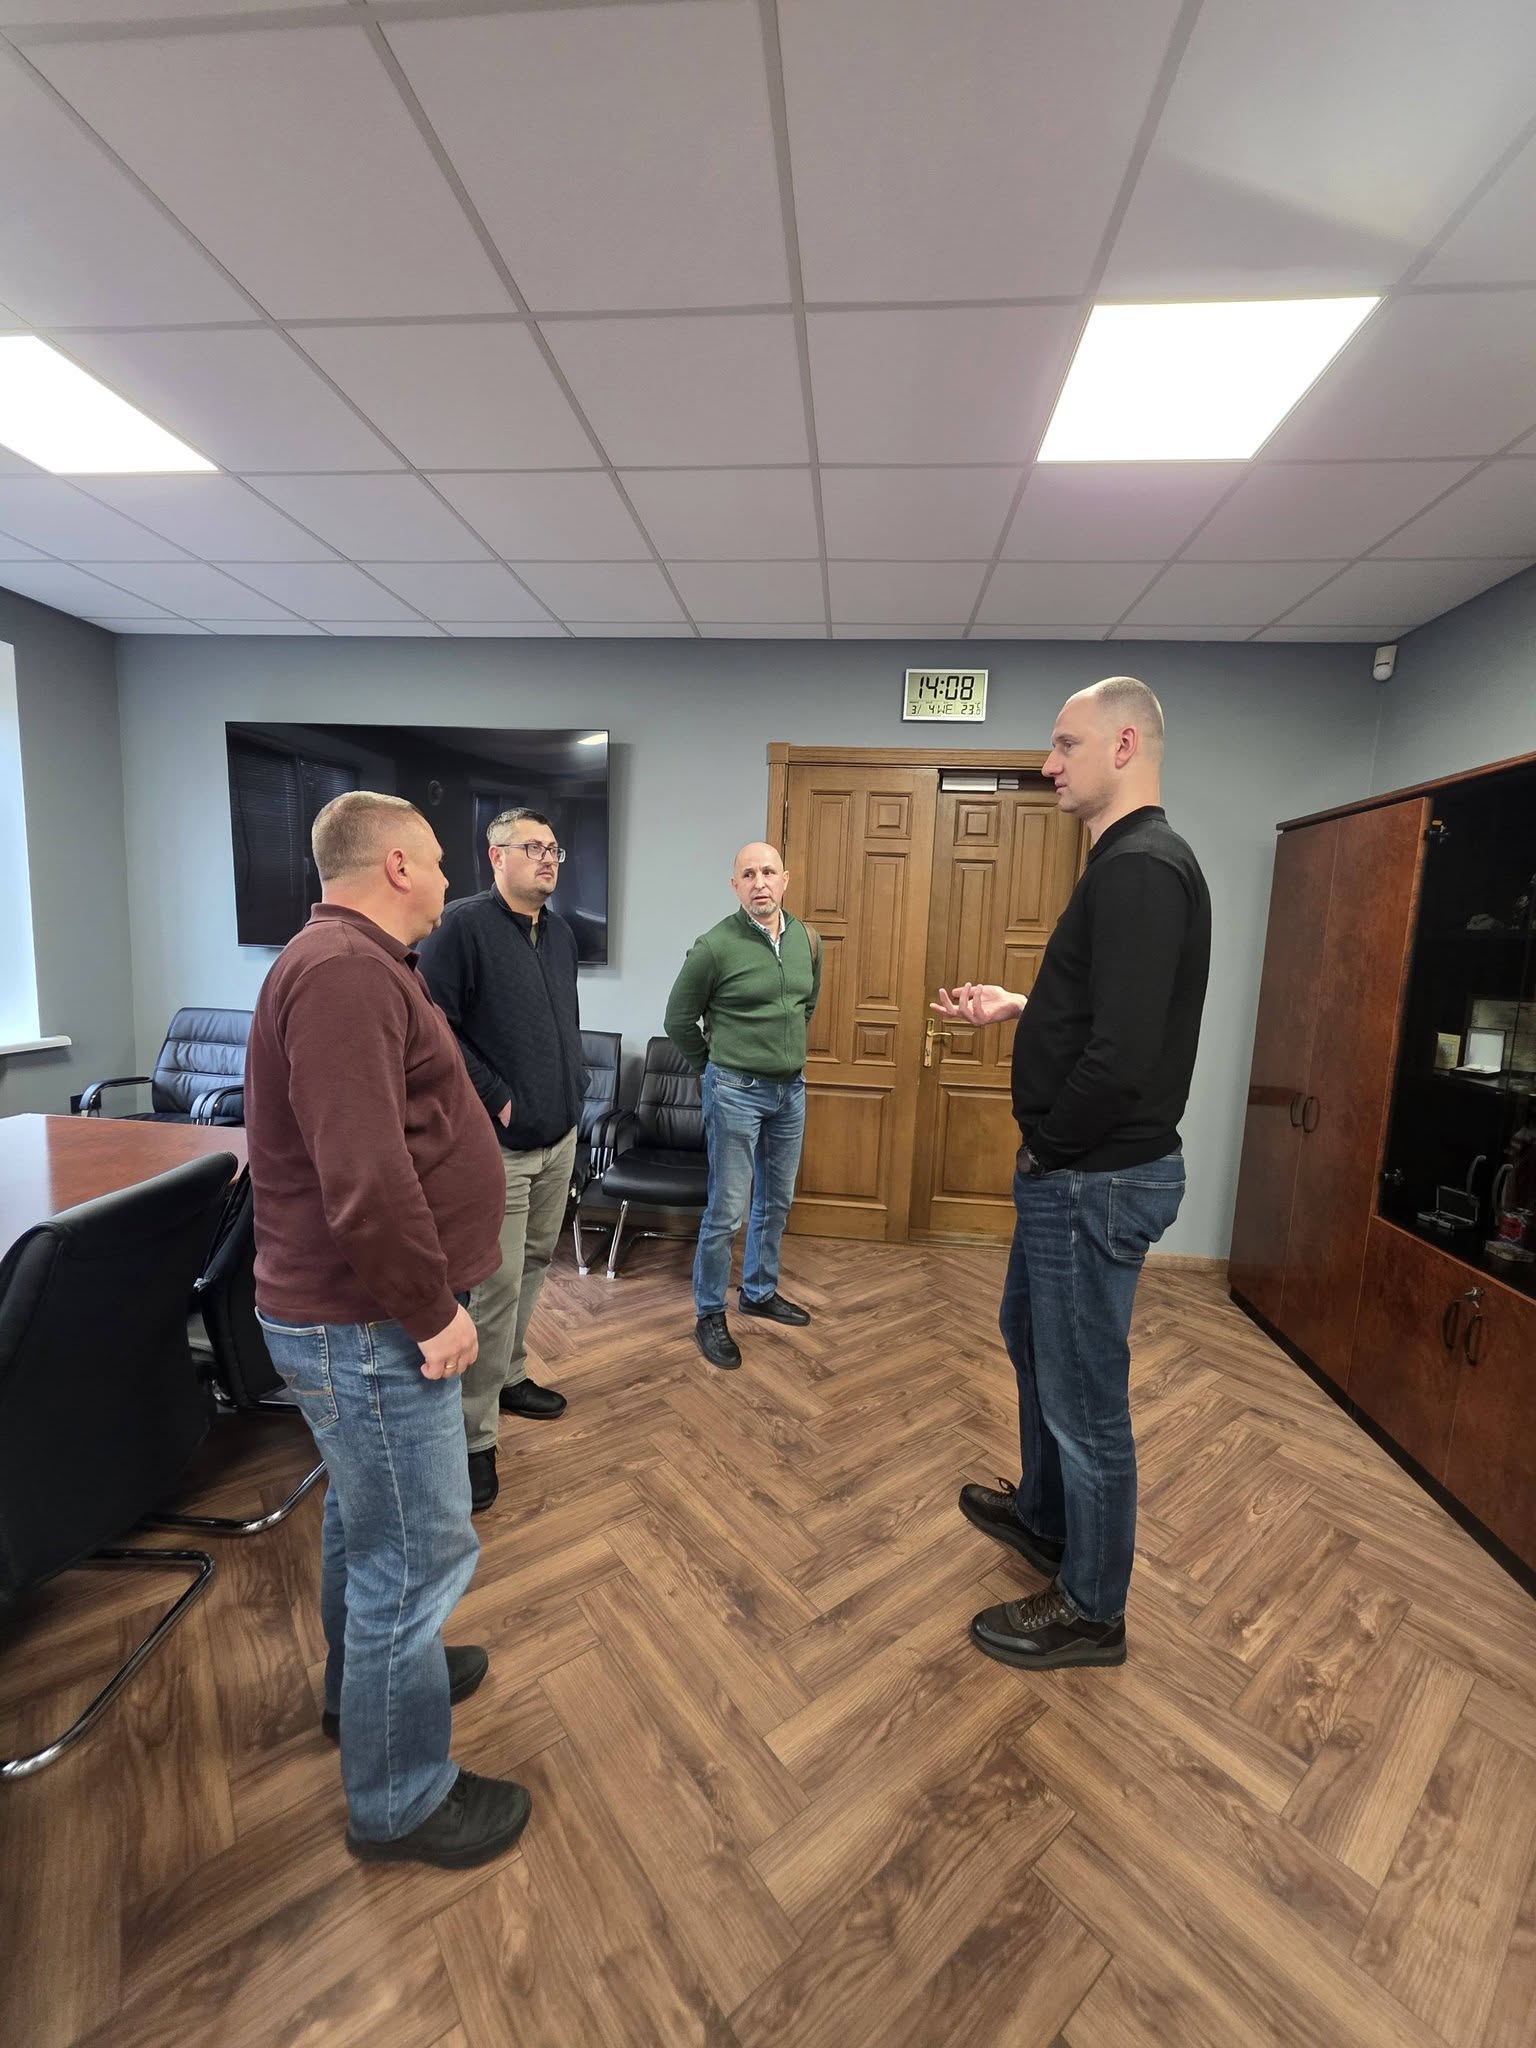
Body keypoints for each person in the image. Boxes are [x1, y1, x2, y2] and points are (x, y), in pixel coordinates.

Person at [245, 790, 531, 1869]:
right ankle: (403, 1796)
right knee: (416, 1553)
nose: (452, 879)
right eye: (443, 861)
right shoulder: (343, 973)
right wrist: (431, 1308)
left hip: (359, 1322)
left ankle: (365, 1689)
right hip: (369, 1326)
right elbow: (364, 1176)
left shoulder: (359, 963)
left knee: (372, 1528)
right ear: (399, 865)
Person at [934, 677, 1210, 1672]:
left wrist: (1049, 1147)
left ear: (1124, 744)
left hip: (1093, 1177)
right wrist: (1024, 1005)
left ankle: (1093, 1607)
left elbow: (1123, 1055)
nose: (1049, 764)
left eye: (1065, 744)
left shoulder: (1142, 868)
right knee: (1032, 1341)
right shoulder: (1127, 863)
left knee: (1086, 1396)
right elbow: (1110, 1007)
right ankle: (1047, 1518)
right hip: (1082, 1172)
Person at [418, 806, 583, 1515]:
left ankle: (510, 1377)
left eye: (554, 849)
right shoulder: (461, 927)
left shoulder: (561, 932)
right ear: (495, 856)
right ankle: (472, 1438)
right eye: (532, 847)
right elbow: (435, 1029)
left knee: (536, 1265)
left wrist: (574, 1089)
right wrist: (497, 1098)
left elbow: (562, 1023)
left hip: (560, 1136)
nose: (547, 858)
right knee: (494, 1289)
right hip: (499, 1148)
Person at [665, 842, 822, 1369]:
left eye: (768, 872)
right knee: (727, 1210)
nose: (760, 882)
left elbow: (805, 1005)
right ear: (735, 885)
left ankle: (758, 1291)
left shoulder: (808, 940)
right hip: (734, 1091)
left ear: (785, 879)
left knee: (776, 1201)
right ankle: (709, 1312)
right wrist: (712, 1067)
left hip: (790, 1092)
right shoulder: (714, 947)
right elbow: (678, 1021)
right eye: (748, 874)